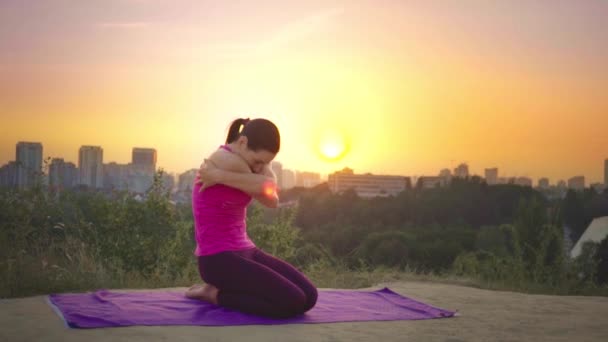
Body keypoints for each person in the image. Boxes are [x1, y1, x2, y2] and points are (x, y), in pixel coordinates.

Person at [185, 118, 318, 319]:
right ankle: (213, 294)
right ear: (242, 142)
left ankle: (219, 292)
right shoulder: (225, 159)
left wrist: (219, 176)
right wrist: (262, 179)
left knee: (309, 297)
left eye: (265, 163)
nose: (259, 167)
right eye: (258, 161)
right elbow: (267, 185)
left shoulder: (232, 167)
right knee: (292, 301)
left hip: (246, 250)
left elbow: (271, 200)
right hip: (218, 258)